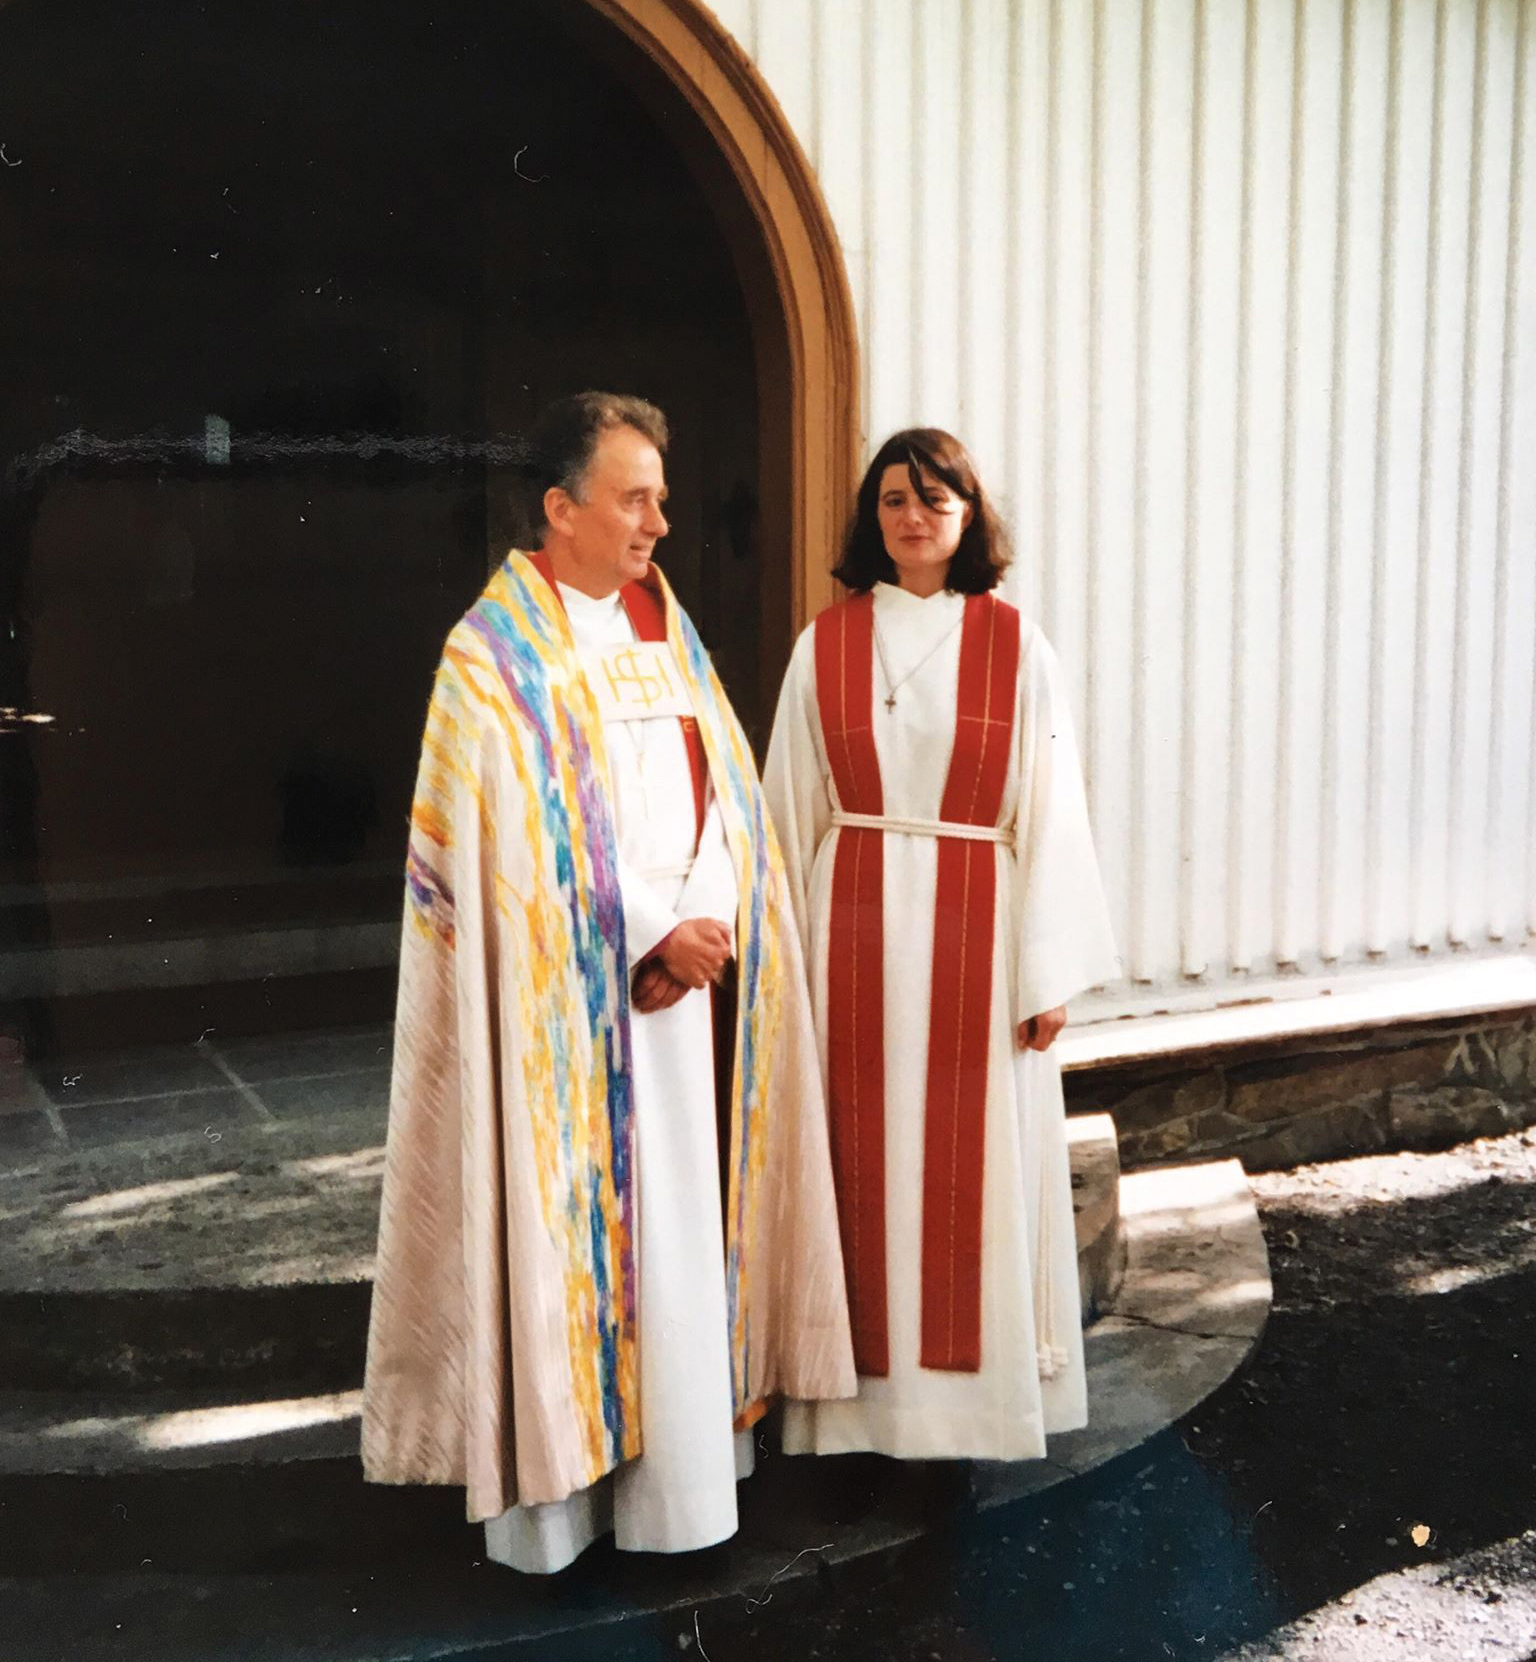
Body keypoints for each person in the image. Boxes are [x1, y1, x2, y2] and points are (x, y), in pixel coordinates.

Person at [362, 392, 854, 1572]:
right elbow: (509, 854)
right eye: (635, 499)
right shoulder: (492, 658)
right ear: (560, 507)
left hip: (687, 1006)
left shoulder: (661, 625)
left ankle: (683, 1496)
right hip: (573, 1021)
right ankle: (565, 1514)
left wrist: (706, 917)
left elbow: (726, 793)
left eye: (661, 500)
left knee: (680, 1243)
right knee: (571, 1248)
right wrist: (646, 933)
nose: (658, 524)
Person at [762, 427, 1119, 1463]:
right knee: (855, 1168)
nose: (912, 518)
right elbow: (786, 810)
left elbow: (1052, 812)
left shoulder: (1015, 644)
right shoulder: (825, 645)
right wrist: (778, 966)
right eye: (892, 501)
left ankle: (964, 1425)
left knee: (969, 1183)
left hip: (980, 936)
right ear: (870, 520)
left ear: (969, 517)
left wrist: (1049, 974)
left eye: (933, 499)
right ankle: (854, 1420)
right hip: (849, 934)